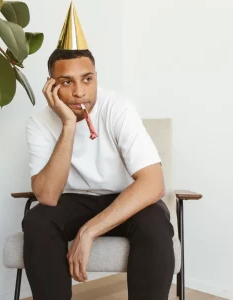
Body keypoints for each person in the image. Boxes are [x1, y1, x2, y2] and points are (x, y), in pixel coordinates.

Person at [22, 3, 175, 300]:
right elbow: (48, 195)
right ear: (51, 86)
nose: (80, 92)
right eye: (67, 82)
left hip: (122, 198)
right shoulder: (40, 122)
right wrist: (68, 125)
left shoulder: (117, 107)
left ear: (96, 77)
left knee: (155, 219)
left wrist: (89, 232)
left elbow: (153, 183)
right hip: (73, 201)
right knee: (38, 220)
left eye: (87, 79)